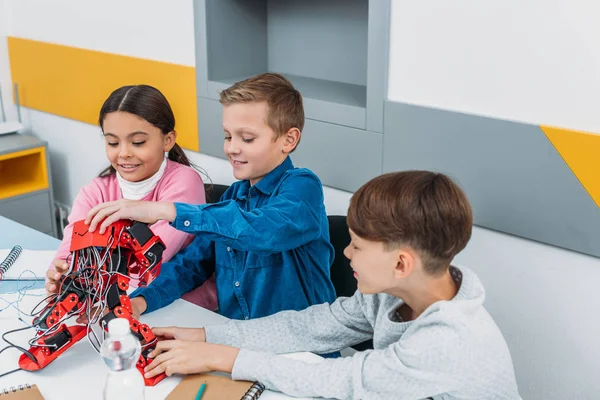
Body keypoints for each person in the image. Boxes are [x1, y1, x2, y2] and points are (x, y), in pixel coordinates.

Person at [142, 171, 521, 400]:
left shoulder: (448, 341)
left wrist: (223, 358)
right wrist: (203, 336)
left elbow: (345, 381)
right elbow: (308, 326)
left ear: (401, 263)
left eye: (357, 245)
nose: (346, 252)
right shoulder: (391, 295)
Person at [85, 73, 337, 324]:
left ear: (288, 140)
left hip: (302, 354)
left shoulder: (303, 187)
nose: (231, 148)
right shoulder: (234, 197)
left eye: (247, 138)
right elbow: (191, 265)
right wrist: (140, 302)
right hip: (239, 346)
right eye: (228, 136)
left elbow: (263, 230)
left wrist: (167, 211)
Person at [45, 85, 217, 311]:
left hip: (180, 306)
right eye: (113, 143)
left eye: (137, 142)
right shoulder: (96, 191)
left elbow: (149, 261)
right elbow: (70, 249)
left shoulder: (184, 181)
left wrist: (91, 277)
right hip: (114, 301)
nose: (124, 153)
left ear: (168, 140)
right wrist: (61, 273)